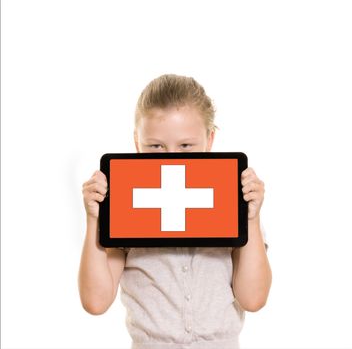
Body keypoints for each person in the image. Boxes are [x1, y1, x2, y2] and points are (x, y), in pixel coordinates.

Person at [79, 74, 272, 349]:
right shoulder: (123, 204)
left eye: (186, 146)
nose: (171, 158)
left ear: (209, 139)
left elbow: (253, 298)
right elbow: (96, 302)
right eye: (155, 146)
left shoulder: (233, 201)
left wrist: (251, 218)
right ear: (137, 142)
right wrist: (94, 219)